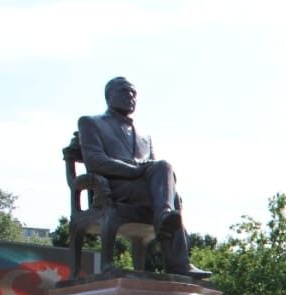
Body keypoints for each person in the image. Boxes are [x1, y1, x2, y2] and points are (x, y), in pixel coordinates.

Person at [78, 77, 209, 278]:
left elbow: (157, 175)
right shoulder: (90, 123)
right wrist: (134, 170)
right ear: (108, 96)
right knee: (168, 191)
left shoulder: (145, 136)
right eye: (124, 91)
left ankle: (168, 228)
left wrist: (151, 173)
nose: (130, 96)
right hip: (114, 187)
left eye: (134, 93)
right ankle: (170, 235)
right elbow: (95, 160)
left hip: (141, 191)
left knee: (167, 181)